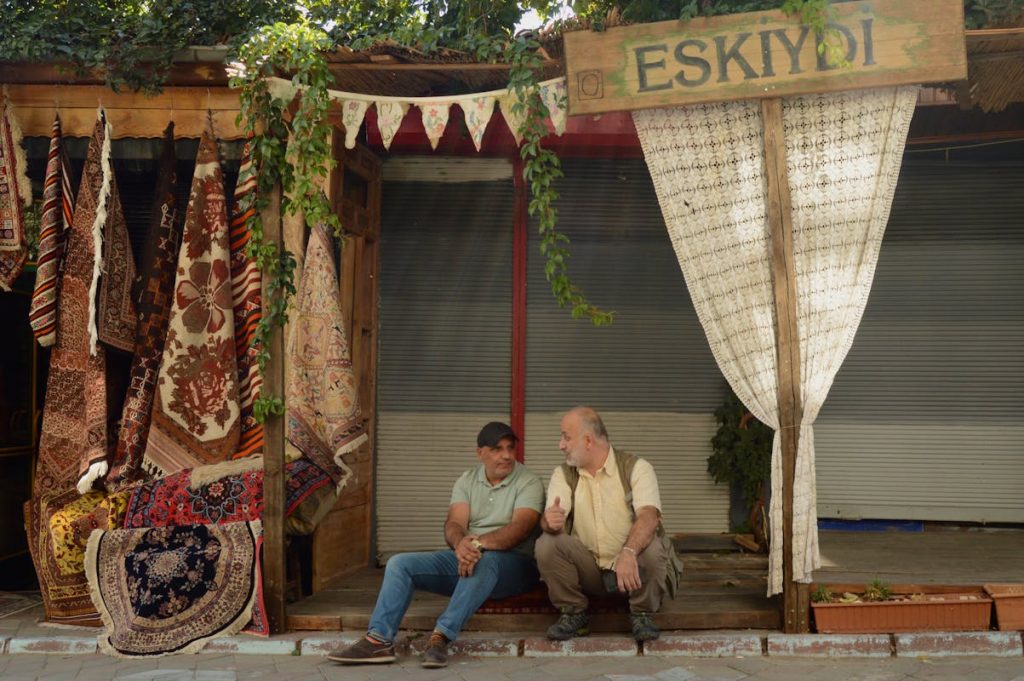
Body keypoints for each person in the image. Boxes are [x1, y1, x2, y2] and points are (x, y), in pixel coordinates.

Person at [328, 421, 543, 668]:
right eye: (497, 449)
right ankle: (378, 640)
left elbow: (519, 529)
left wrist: (475, 544)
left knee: (486, 560)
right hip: (471, 559)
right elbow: (454, 523)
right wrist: (460, 544)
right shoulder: (467, 480)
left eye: (510, 448)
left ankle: (441, 637)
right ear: (480, 453)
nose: (506, 455)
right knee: (400, 564)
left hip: (515, 567)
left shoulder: (529, 481)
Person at [536, 406, 670, 642]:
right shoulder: (563, 474)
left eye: (566, 437)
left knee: (653, 547)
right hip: (589, 571)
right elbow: (552, 518)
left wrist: (629, 552)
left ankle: (642, 613)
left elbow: (649, 517)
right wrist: (549, 521)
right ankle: (574, 613)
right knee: (547, 543)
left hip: (632, 571)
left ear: (588, 440)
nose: (561, 445)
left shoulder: (637, 468)